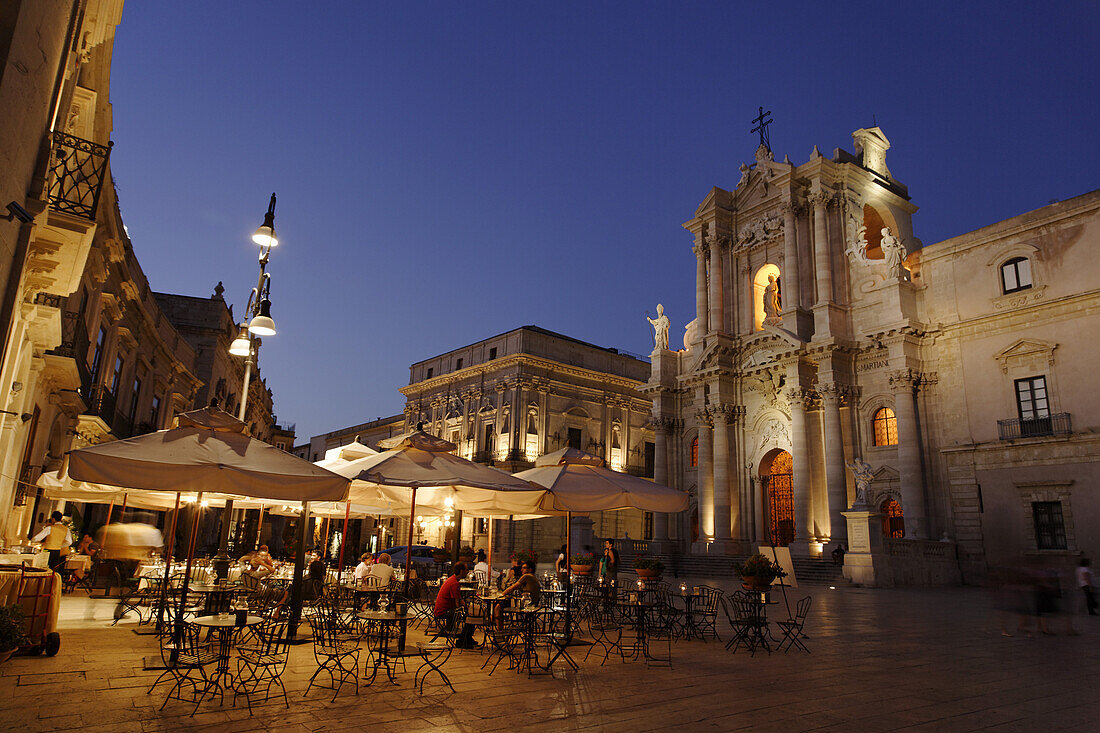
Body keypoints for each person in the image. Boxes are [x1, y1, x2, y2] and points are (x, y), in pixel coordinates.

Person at [434, 562, 477, 648]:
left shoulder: (452, 579)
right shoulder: (455, 584)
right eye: (466, 570)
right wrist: (467, 610)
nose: (467, 572)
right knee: (471, 617)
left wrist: (466, 607)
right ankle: (463, 640)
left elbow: (459, 600)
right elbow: (457, 604)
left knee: (470, 614)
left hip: (441, 609)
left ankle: (467, 638)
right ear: (461, 571)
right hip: (443, 611)